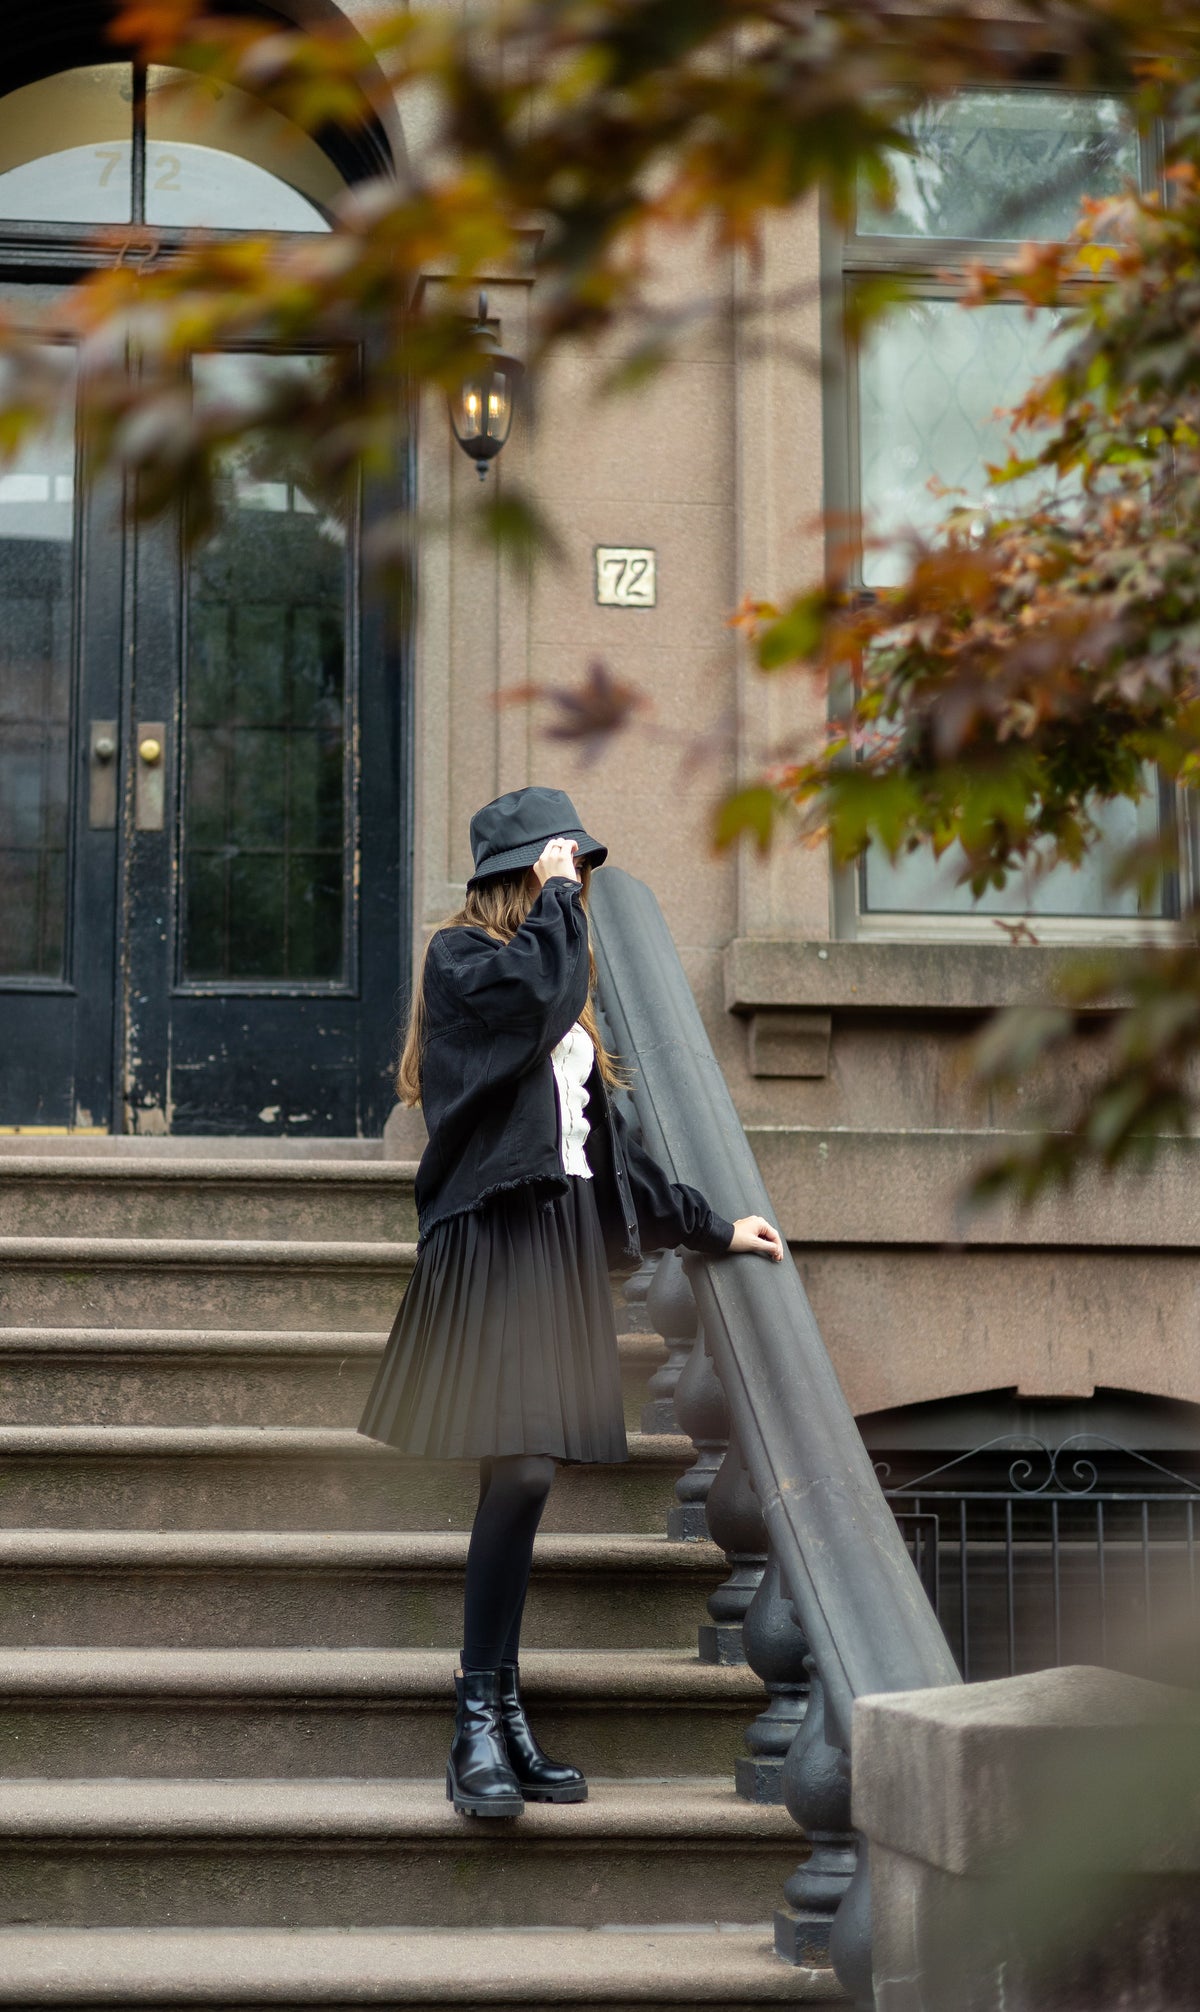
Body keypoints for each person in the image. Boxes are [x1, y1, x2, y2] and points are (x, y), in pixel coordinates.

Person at [357, 785, 783, 1820]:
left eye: (578, 873)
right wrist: (556, 904)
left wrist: (710, 1225)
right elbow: (533, 995)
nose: (578, 884)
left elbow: (611, 1161)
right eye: (563, 865)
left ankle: (499, 1711)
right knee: (525, 1463)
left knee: (530, 1476)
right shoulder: (464, 965)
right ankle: (475, 1717)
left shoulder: (556, 998)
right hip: (492, 1236)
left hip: (548, 1243)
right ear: (520, 872)